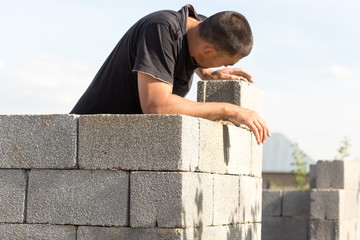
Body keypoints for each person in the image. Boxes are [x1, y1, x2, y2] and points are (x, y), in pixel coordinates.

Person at [70, 4, 270, 144]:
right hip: (87, 137)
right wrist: (230, 110)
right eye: (225, 62)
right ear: (208, 51)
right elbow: (156, 105)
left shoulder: (201, 28)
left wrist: (208, 72)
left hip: (124, 142)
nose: (225, 66)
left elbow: (191, 46)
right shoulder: (160, 29)